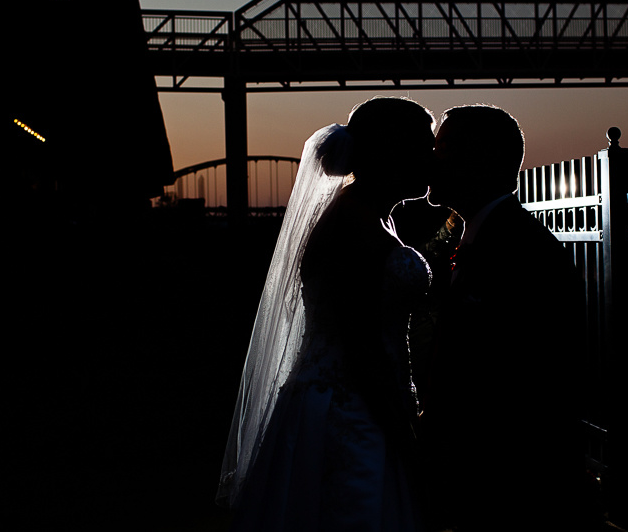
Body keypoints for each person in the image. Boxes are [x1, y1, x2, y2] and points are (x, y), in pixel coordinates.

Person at [218, 97, 436, 532]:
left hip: (347, 404)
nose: (432, 157)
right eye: (423, 145)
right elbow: (363, 346)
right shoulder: (354, 227)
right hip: (350, 413)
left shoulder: (369, 216)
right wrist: (406, 432)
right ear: (392, 151)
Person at [422, 104, 592, 531]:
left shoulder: (523, 250)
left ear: (481, 160)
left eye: (442, 150)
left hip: (514, 483)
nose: (430, 162)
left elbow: (528, 378)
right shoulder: (471, 235)